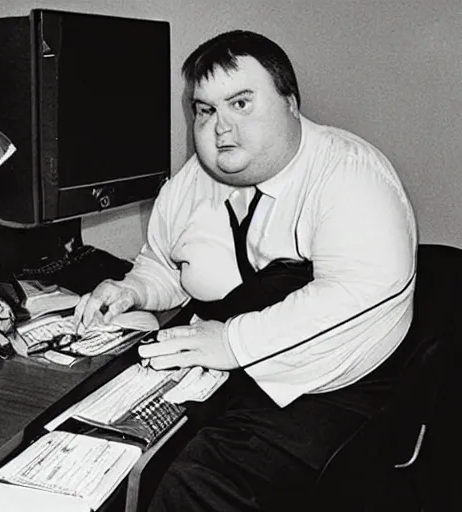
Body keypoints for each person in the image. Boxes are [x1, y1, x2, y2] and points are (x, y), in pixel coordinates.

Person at [76, 30, 417, 511]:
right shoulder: (191, 183)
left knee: (192, 486)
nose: (220, 129)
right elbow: (167, 267)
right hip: (232, 378)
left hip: (332, 388)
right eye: (205, 110)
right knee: (113, 454)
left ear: (291, 104)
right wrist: (132, 290)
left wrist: (232, 342)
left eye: (240, 103)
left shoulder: (350, 172)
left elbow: (359, 290)